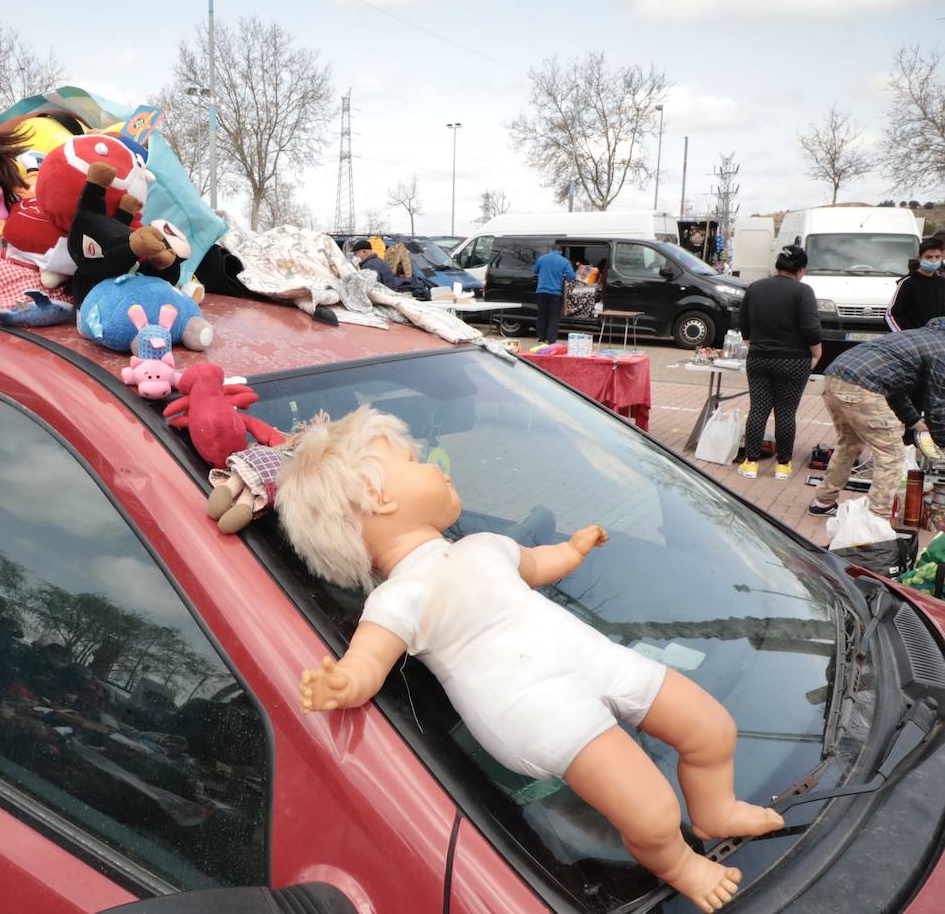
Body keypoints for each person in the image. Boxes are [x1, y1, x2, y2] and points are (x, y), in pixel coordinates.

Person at [277, 407, 780, 913]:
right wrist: (342, 682)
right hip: (538, 709)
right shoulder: (396, 600)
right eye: (412, 459)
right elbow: (368, 664)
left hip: (591, 659)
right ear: (378, 497)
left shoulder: (482, 544)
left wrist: (574, 550)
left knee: (711, 729)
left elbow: (537, 564)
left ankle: (715, 810)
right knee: (651, 813)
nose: (435, 465)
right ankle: (678, 863)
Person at [809, 317, 945, 519]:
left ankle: (822, 502)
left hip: (834, 376)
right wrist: (941, 444)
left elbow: (894, 388)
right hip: (861, 387)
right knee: (891, 453)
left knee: (849, 444)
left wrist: (915, 422)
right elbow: (937, 404)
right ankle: (875, 520)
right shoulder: (942, 351)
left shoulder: (917, 336)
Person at [736, 245, 823, 480]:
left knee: (758, 409)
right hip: (793, 361)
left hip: (759, 358)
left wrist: (751, 343)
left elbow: (743, 321)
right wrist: (816, 353)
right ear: (801, 269)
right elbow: (810, 328)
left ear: (778, 265)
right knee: (786, 413)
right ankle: (783, 466)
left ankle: (750, 462)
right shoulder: (803, 291)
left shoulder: (755, 288)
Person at [887, 236, 945, 332]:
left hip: (934, 340)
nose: (934, 260)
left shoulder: (941, 282)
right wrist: (900, 335)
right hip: (912, 339)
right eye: (929, 257)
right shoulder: (908, 283)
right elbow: (891, 315)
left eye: (937, 257)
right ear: (919, 258)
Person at [532, 242, 575, 343]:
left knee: (542, 315)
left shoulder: (542, 258)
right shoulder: (564, 261)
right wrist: (562, 276)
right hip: (556, 293)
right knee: (554, 317)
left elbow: (535, 270)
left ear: (551, 250)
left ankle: (541, 338)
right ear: (561, 251)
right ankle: (551, 340)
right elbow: (571, 277)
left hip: (542, 291)